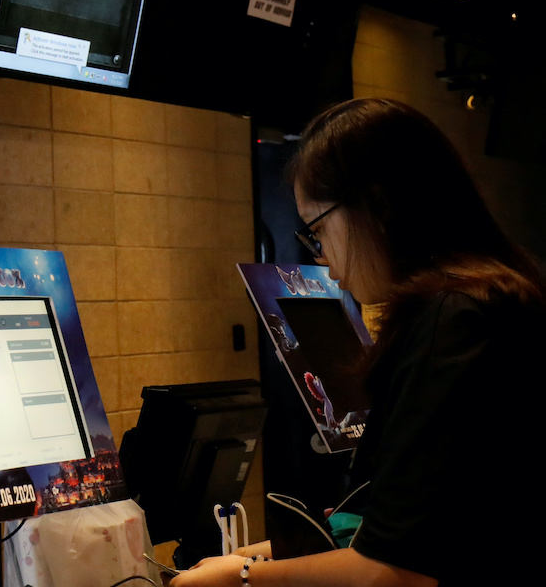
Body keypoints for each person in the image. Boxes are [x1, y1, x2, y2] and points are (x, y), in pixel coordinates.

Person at [172, 97, 546, 587]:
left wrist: (240, 576)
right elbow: (413, 522)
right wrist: (268, 555)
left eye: (319, 230)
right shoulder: (496, 296)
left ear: (377, 206)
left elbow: (394, 571)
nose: (324, 260)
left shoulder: (452, 321)